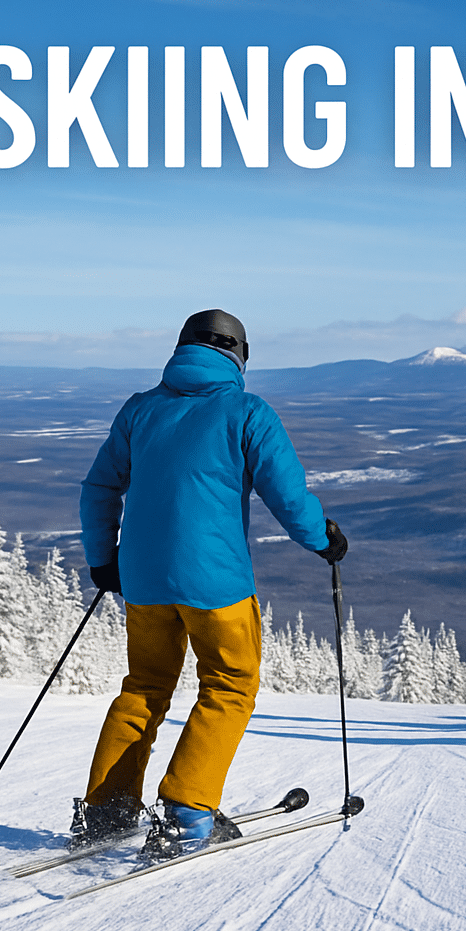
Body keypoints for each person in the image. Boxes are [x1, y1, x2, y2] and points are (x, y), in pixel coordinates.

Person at [72, 308, 348, 859]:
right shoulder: (247, 411)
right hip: (218, 587)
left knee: (144, 688)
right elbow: (290, 500)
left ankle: (107, 810)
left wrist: (105, 562)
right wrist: (325, 540)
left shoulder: (140, 409)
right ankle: (189, 812)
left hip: (144, 585)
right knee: (228, 684)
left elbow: (98, 489)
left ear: (182, 348)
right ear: (239, 355)